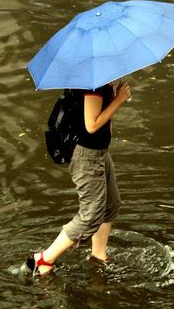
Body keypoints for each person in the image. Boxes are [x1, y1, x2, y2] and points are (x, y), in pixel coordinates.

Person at [24, 79, 132, 276]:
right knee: (91, 215)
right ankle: (44, 258)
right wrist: (119, 100)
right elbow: (91, 125)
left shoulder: (100, 80)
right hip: (86, 156)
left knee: (111, 204)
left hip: (99, 152)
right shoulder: (93, 83)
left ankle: (98, 256)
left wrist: (114, 97)